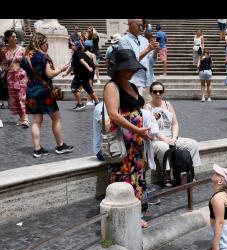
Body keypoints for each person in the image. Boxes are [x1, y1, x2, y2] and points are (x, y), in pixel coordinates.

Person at [103, 49, 153, 229]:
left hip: (137, 141)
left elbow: (137, 106)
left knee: (137, 174)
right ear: (117, 68)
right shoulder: (112, 86)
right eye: (128, 68)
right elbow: (114, 115)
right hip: (124, 139)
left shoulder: (130, 85)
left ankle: (136, 211)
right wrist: (137, 129)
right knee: (124, 174)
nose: (132, 71)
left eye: (133, 68)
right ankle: (125, 213)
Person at [20, 32, 73, 158]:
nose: (47, 45)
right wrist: (61, 69)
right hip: (44, 91)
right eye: (46, 43)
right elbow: (49, 74)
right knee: (56, 118)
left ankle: (37, 149)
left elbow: (26, 73)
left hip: (31, 91)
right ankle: (60, 145)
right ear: (41, 43)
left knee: (36, 121)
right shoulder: (43, 57)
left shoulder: (27, 57)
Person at [143, 81, 201, 187]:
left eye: (160, 91)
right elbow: (150, 128)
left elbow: (175, 124)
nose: (158, 94)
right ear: (151, 93)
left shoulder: (168, 104)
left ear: (163, 92)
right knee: (164, 147)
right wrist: (165, 140)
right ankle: (166, 175)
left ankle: (189, 171)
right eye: (155, 91)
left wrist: (174, 137)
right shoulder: (147, 107)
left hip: (171, 136)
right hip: (155, 139)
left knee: (192, 144)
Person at [119, 19, 160, 102]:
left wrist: (156, 51)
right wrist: (147, 50)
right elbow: (130, 61)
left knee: (149, 111)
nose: (141, 27)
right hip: (134, 82)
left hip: (149, 81)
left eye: (142, 25)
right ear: (130, 24)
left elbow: (151, 62)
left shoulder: (144, 40)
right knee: (136, 111)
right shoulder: (124, 40)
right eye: (138, 25)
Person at [1, 30, 29, 127]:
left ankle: (25, 119)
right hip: (10, 76)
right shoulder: (4, 50)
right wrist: (5, 68)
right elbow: (3, 63)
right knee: (15, 98)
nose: (15, 38)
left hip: (20, 75)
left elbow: (28, 63)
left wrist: (29, 75)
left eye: (16, 36)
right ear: (8, 38)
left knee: (22, 96)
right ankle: (21, 118)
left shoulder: (22, 50)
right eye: (13, 37)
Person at [68, 41, 98, 110]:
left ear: (77, 46)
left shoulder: (78, 53)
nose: (72, 46)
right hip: (85, 74)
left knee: (74, 88)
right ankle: (97, 102)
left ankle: (80, 104)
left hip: (80, 75)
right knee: (88, 88)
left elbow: (82, 61)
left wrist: (88, 68)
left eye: (73, 45)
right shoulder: (81, 53)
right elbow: (73, 66)